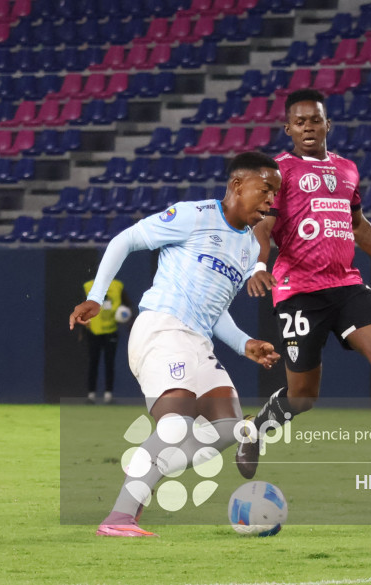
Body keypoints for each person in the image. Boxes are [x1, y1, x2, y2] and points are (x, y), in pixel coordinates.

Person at [235, 89, 371, 482]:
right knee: (302, 397)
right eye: (299, 121)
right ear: (287, 128)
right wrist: (258, 266)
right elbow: (262, 226)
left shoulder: (347, 169)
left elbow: (356, 224)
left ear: (327, 124)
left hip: (346, 284)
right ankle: (255, 429)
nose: (308, 127)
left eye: (315, 119)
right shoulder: (278, 171)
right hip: (299, 290)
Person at [69, 151, 282, 537]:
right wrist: (97, 297)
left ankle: (145, 463)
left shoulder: (249, 248)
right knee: (175, 425)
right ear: (236, 184)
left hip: (198, 342)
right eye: (265, 190)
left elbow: (215, 310)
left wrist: (245, 343)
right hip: (162, 328)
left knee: (229, 426)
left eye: (274, 195)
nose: (271, 201)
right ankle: (119, 517)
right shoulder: (194, 215)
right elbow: (126, 239)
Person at [81, 278, 134, 404]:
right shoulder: (89, 286)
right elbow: (81, 308)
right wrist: (81, 329)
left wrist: (124, 314)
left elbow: (127, 305)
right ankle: (91, 394)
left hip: (111, 331)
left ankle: (108, 395)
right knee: (93, 362)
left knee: (109, 363)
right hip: (93, 331)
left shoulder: (117, 286)